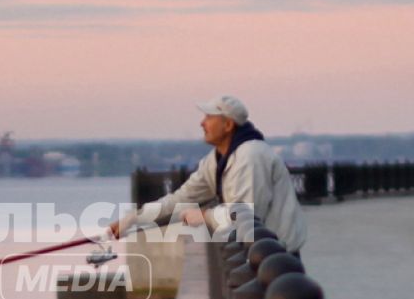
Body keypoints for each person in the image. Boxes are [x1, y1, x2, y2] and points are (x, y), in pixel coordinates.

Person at [104, 95, 308, 252]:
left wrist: (205, 216)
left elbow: (247, 213)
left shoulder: (251, 156)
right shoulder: (216, 159)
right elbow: (181, 198)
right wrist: (132, 220)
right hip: (254, 252)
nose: (202, 123)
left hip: (275, 257)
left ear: (228, 125)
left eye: (209, 117)